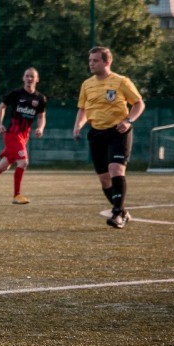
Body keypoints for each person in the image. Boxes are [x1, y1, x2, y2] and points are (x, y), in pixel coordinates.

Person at [73, 46, 145, 229]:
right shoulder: (86, 84)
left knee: (116, 170)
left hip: (118, 132)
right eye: (90, 60)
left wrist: (129, 121)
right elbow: (82, 108)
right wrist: (78, 126)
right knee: (104, 179)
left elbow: (138, 103)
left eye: (95, 60)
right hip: (96, 133)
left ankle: (117, 215)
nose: (91, 63)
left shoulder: (121, 82)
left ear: (107, 62)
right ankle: (121, 211)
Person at [0, 67, 47, 205]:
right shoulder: (16, 94)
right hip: (13, 135)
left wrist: (40, 127)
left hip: (24, 138)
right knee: (23, 162)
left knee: (3, 166)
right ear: (23, 78)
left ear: (37, 79)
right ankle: (16, 195)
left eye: (32, 76)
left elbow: (42, 116)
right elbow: (1, 107)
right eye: (27, 76)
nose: (29, 78)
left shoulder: (40, 98)